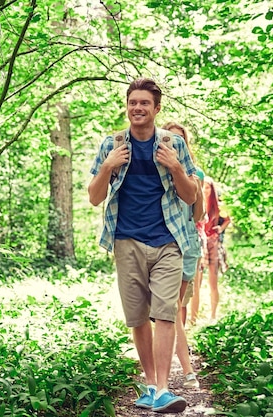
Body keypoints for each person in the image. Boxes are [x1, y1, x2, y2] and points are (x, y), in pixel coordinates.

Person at [88, 78, 198, 413]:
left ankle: (163, 388)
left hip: (169, 240)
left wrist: (176, 167)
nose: (138, 108)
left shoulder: (172, 144)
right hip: (126, 241)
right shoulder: (112, 145)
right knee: (137, 318)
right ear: (127, 104)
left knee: (165, 313)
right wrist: (108, 166)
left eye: (145, 103)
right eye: (133, 102)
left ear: (156, 108)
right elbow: (94, 197)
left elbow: (191, 195)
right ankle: (150, 385)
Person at [162, 122, 204, 390]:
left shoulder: (195, 172)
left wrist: (196, 189)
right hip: (163, 243)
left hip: (187, 244)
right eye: (171, 139)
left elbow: (197, 216)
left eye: (180, 140)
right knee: (172, 308)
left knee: (175, 308)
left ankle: (178, 366)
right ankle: (186, 370)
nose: (175, 144)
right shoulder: (154, 170)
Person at [190, 176, 231, 323]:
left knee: (213, 281)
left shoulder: (218, 206)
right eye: (204, 187)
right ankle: (193, 317)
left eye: (208, 187)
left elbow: (228, 219)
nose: (205, 189)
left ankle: (213, 315)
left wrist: (220, 228)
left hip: (213, 243)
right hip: (201, 243)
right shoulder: (197, 201)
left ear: (212, 189)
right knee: (197, 282)